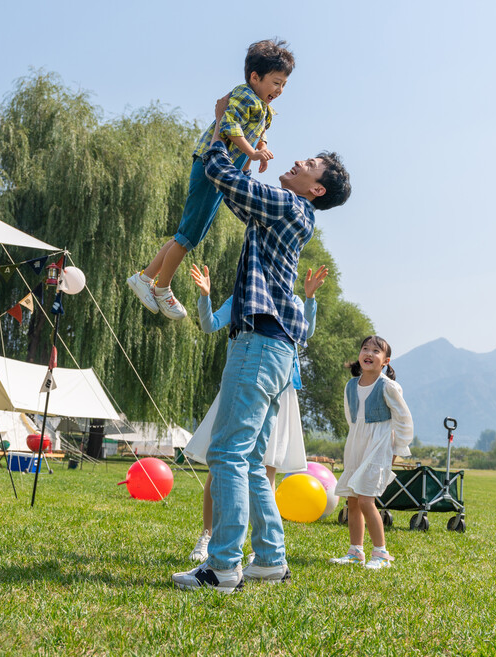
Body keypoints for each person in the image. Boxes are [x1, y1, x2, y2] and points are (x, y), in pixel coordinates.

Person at [171, 97, 351, 593]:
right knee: (250, 459)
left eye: (308, 164)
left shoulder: (291, 206)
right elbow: (236, 197)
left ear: (316, 188)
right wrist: (239, 158)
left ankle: (224, 566)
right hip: (275, 349)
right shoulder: (285, 212)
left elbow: (229, 181)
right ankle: (269, 558)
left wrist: (222, 138)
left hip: (260, 343)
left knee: (228, 452)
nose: (296, 162)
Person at [126, 39, 294, 321]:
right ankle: (162, 288)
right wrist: (252, 152)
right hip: (210, 166)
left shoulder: (263, 108)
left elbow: (259, 131)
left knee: (188, 232)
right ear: (255, 77)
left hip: (223, 173)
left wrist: (260, 150)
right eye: (276, 82)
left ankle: (145, 278)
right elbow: (229, 124)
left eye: (284, 85)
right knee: (189, 236)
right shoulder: (244, 96)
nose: (279, 90)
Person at [183, 262, 328, 563]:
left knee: (261, 467)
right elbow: (210, 324)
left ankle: (259, 552)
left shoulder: (293, 300)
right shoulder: (242, 295)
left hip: (279, 387)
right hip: (240, 383)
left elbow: (306, 332)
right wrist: (204, 296)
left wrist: (310, 299)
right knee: (221, 464)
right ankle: (209, 537)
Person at [329, 335, 414, 570]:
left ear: (385, 360)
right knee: (353, 500)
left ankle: (382, 554)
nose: (369, 353)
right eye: (365, 348)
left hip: (379, 445)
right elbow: (352, 417)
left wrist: (397, 449)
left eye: (376, 351)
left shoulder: (388, 386)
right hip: (356, 444)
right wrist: (356, 438)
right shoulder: (350, 386)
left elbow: (404, 421)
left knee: (367, 499)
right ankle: (355, 552)